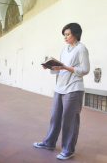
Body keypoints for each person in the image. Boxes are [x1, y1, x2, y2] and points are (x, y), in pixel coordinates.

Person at [33, 23, 90, 160]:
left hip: (73, 88)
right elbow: (61, 68)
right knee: (55, 117)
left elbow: (85, 70)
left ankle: (68, 150)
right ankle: (49, 143)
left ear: (75, 34)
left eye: (68, 34)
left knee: (69, 121)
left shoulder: (81, 49)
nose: (65, 37)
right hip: (60, 87)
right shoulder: (64, 49)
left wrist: (65, 67)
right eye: (64, 34)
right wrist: (51, 67)